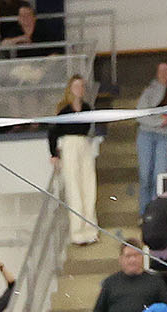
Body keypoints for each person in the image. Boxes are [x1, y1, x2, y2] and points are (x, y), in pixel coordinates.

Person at [49, 76, 105, 248]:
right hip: (70, 145)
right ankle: (77, 232)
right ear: (70, 88)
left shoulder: (87, 108)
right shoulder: (64, 110)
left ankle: (90, 229)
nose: (79, 89)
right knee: (74, 188)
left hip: (84, 145)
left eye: (81, 86)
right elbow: (53, 132)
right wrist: (53, 153)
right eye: (76, 86)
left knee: (88, 186)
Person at [133, 61, 167, 219]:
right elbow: (141, 115)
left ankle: (154, 212)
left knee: (159, 176)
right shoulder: (149, 91)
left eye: (166, 71)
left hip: (165, 137)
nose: (163, 74)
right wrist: (159, 121)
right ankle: (144, 212)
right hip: (146, 135)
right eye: (160, 71)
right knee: (145, 175)